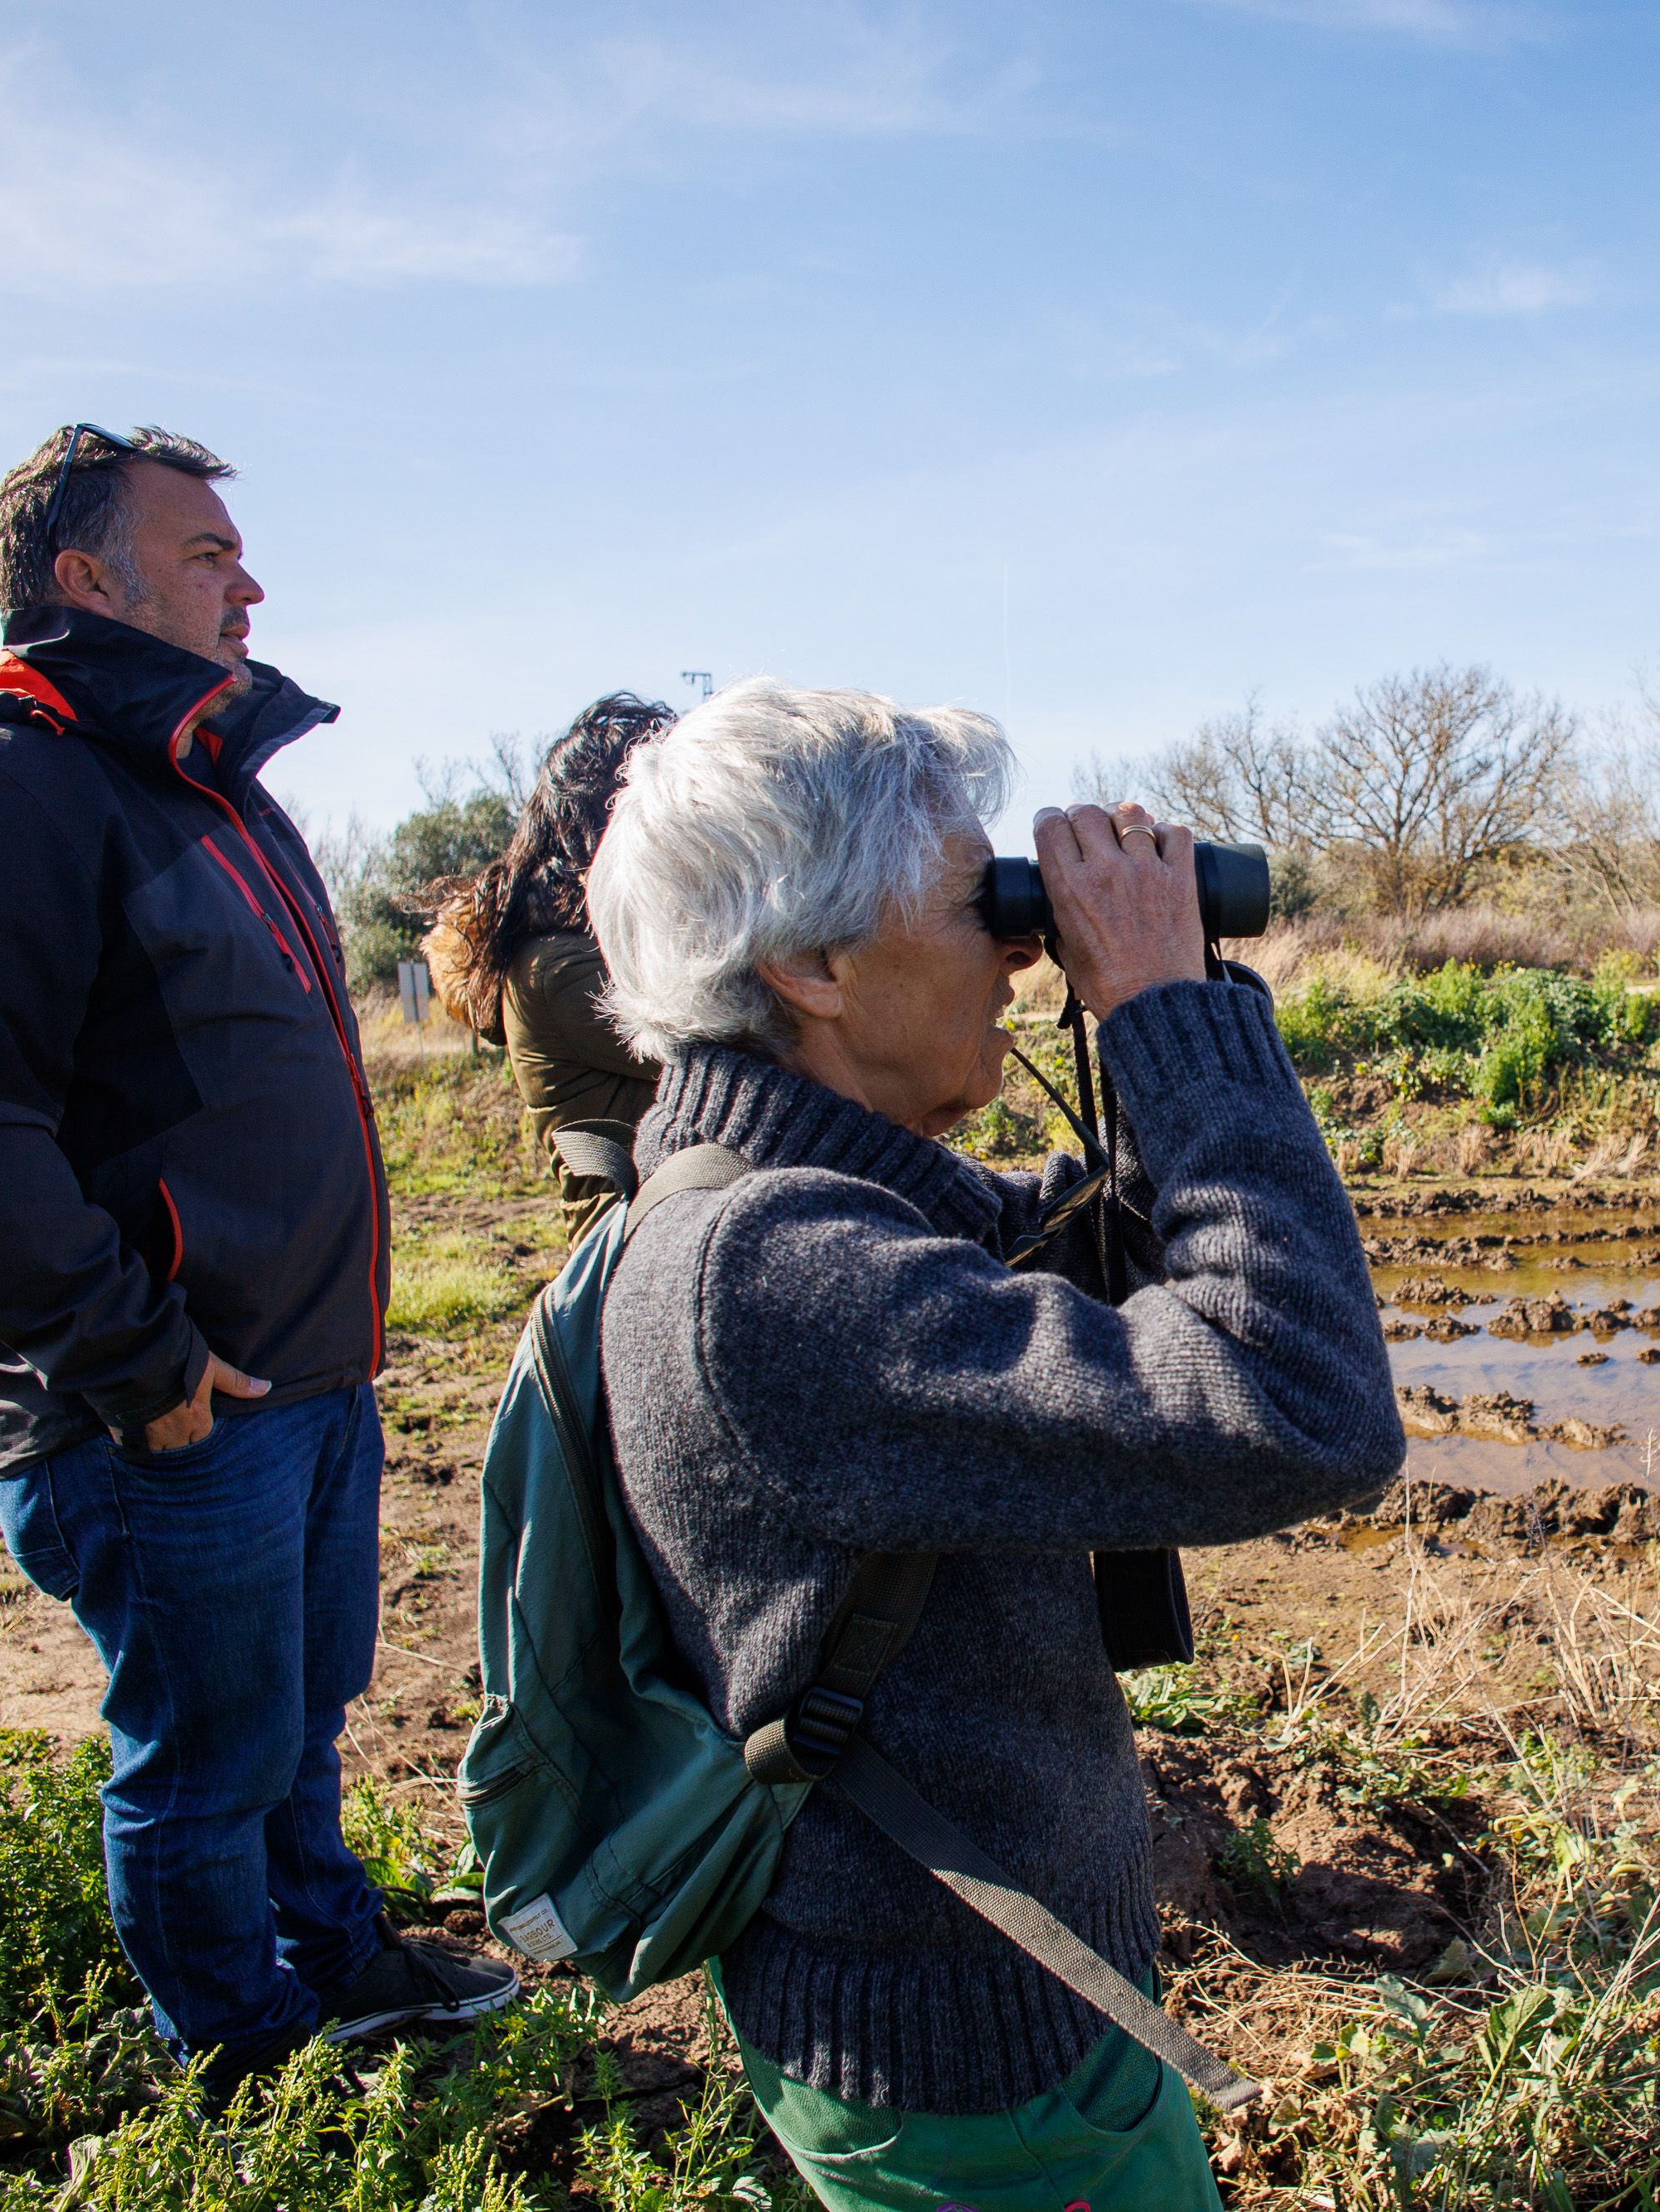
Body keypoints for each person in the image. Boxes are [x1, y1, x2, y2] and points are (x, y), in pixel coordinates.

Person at [588, 683, 1404, 2211]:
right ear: (813, 965)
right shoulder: (773, 1272)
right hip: (984, 2072)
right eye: (983, 905)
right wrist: (1165, 1014)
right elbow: (1304, 1407)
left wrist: (1172, 1019)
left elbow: (1077, 1243)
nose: (1027, 947)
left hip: (987, 2009)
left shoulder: (783, 1196)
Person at [0, 423, 517, 2102]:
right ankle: (241, 2061)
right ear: (87, 576)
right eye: (206, 551)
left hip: (299, 1372)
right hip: (168, 1406)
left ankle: (335, 1957)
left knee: (290, 1723)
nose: (250, 580)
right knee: (202, 1757)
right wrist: (135, 1364)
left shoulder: (199, 779)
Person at [423, 693, 675, 1229]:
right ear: (606, 818)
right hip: (631, 1258)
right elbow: (720, 1047)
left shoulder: (590, 946)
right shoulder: (556, 968)